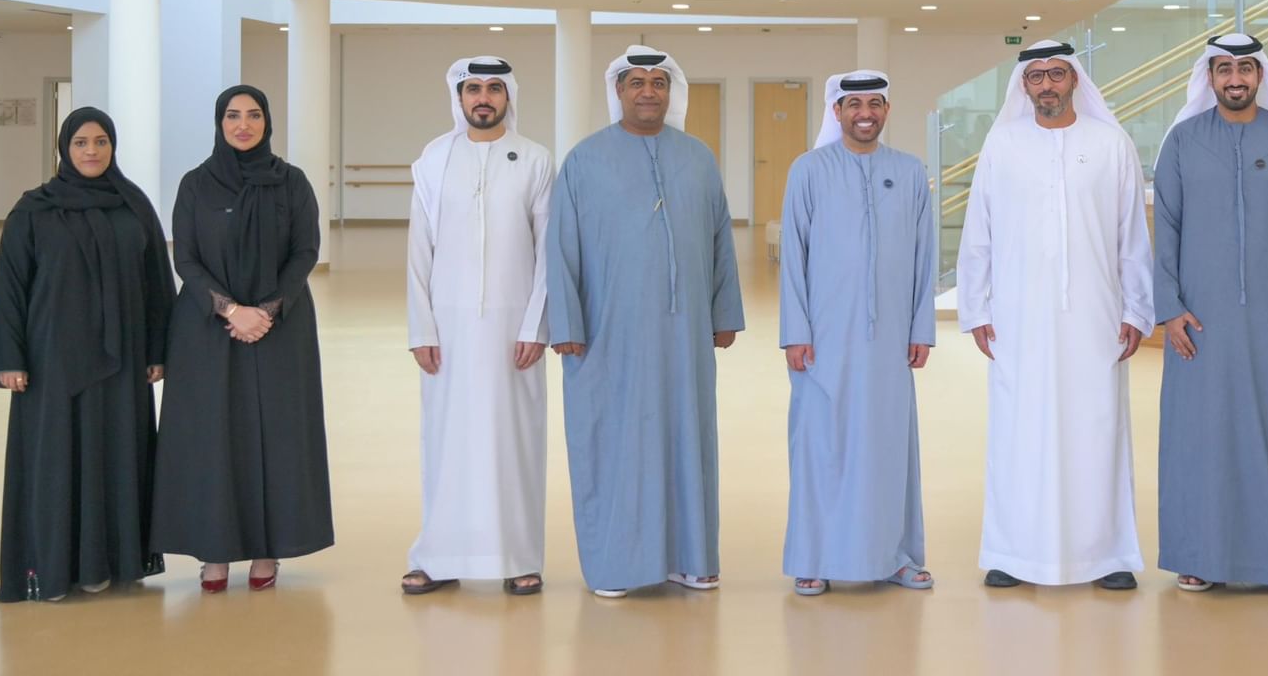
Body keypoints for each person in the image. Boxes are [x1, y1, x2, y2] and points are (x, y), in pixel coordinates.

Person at [548, 46, 744, 599]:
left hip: (685, 335)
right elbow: (560, 246)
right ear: (619, 92)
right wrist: (566, 322)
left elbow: (720, 240)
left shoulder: (698, 158)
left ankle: (690, 557)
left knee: (687, 436)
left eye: (658, 82)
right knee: (615, 441)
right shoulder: (584, 160)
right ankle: (617, 564)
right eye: (637, 82)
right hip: (608, 333)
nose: (648, 92)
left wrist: (724, 312)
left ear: (670, 92)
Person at [957, 40, 1153, 589]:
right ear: (1024, 85)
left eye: (1057, 74)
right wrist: (975, 306)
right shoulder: (1002, 144)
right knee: (1019, 432)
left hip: (1096, 314)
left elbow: (1131, 236)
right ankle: (1013, 553)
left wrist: (1137, 306)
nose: (1047, 84)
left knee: (1098, 429)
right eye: (1036, 76)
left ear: (1074, 81)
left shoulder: (1110, 143)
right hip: (1017, 316)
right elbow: (979, 231)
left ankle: (1107, 555)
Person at [0, 108, 174, 602]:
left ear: (113, 147)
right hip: (52, 360)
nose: (91, 151)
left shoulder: (133, 206)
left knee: (117, 456)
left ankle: (110, 563)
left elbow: (156, 283)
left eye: (101, 141)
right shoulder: (34, 210)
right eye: (81, 142)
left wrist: (158, 350)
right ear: (64, 147)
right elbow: (11, 287)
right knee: (55, 460)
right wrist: (10, 358)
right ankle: (53, 567)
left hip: (123, 359)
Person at [1153, 35, 1268, 596]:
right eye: (1224, 69)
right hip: (1199, 323)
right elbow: (1165, 228)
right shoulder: (1182, 142)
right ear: (1209, 78)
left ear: (1260, 76)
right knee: (1201, 437)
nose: (1235, 79)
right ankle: (1199, 555)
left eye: (1245, 68)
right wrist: (1169, 308)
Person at [153, 85, 336, 591]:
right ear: (219, 123)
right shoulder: (196, 184)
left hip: (282, 325)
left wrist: (266, 310)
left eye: (254, 115)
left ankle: (267, 549)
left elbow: (305, 250)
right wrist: (231, 309)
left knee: (276, 435)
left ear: (267, 122)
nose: (243, 125)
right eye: (233, 115)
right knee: (212, 435)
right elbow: (185, 257)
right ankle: (213, 550)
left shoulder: (292, 182)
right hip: (207, 327)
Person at [779, 71, 936, 596]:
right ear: (837, 112)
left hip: (890, 338)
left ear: (886, 110)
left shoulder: (909, 171)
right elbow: (793, 256)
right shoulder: (808, 170)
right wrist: (795, 331)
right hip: (823, 336)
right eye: (854, 105)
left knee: (888, 446)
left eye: (875, 103)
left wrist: (921, 327)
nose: (865, 113)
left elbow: (924, 256)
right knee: (820, 445)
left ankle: (894, 556)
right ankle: (815, 556)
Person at [401, 58, 554, 597]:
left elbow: (548, 250)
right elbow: (418, 249)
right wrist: (421, 328)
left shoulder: (535, 159)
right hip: (447, 329)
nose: (483, 98)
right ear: (460, 97)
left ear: (508, 96)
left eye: (493, 88)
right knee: (447, 443)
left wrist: (536, 324)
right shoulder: (434, 160)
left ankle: (519, 558)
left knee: (515, 442)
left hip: (515, 330)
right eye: (473, 89)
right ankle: (438, 557)